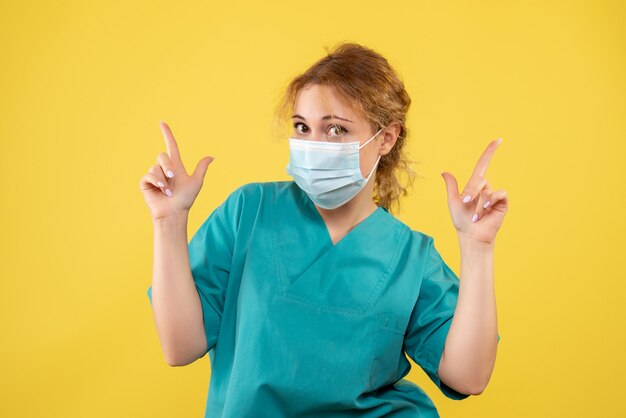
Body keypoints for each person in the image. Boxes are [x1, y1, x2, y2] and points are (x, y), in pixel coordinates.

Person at [140, 42, 506, 418]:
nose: (313, 145)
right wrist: (168, 222)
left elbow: (469, 377)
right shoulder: (249, 212)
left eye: (335, 129)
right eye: (302, 127)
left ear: (386, 137)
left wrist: (477, 246)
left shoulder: (409, 257)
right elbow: (180, 347)